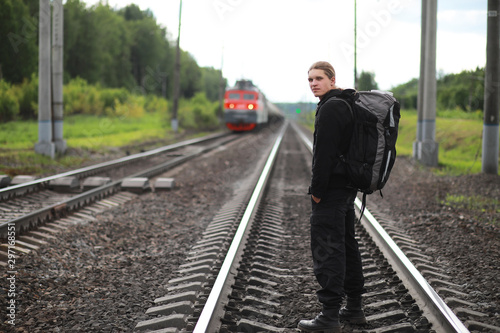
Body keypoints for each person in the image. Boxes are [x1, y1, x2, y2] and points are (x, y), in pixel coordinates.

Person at [298, 61, 366, 333]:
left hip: (332, 192)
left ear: (332, 79)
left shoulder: (330, 108)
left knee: (328, 249)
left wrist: (317, 193)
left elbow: (323, 156)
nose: (313, 83)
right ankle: (354, 308)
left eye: (318, 78)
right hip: (347, 188)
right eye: (310, 79)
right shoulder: (345, 103)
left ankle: (329, 316)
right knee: (347, 245)